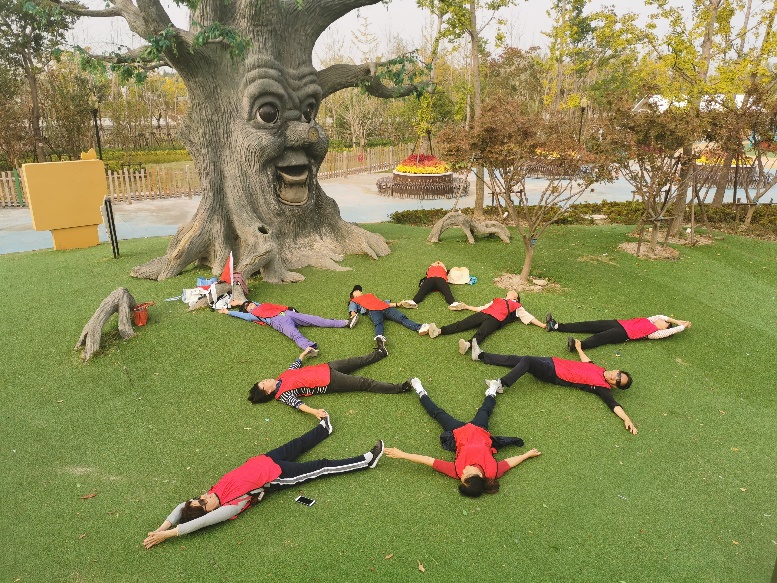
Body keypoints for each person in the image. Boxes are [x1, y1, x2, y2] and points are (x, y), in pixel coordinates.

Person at [143, 416, 384, 549]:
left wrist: (161, 528)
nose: (204, 497)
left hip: (266, 459)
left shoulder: (212, 494)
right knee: (322, 466)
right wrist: (170, 535)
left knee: (298, 444)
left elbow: (181, 507)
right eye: (203, 503)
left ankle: (324, 428)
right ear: (211, 511)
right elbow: (199, 523)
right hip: (278, 475)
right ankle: (366, 461)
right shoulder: (230, 507)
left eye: (199, 498)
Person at [385, 379, 541, 497]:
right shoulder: (492, 471)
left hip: (458, 433)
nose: (464, 470)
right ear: (480, 475)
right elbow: (510, 463)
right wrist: (527, 455)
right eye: (467, 473)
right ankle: (492, 391)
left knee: (438, 414)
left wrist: (402, 454)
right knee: (485, 411)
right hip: (480, 431)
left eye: (463, 476)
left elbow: (428, 460)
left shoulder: (456, 471)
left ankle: (420, 391)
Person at [475, 338, 638, 434]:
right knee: (519, 360)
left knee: (527, 361)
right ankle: (481, 355)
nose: (615, 378)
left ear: (614, 386)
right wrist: (579, 348)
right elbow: (587, 362)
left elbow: (613, 404)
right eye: (618, 375)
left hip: (554, 374)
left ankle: (501, 384)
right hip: (553, 362)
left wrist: (626, 418)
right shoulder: (599, 369)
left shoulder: (602, 387)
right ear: (617, 370)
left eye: (618, 381)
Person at [248, 343, 411, 418]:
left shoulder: (281, 377)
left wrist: (304, 353)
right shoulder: (282, 395)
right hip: (329, 382)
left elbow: (294, 366)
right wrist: (315, 412)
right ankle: (400, 388)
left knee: (356, 361)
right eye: (263, 384)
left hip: (326, 367)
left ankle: (381, 353)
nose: (265, 380)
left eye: (262, 381)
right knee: (364, 383)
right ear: (268, 392)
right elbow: (298, 404)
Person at [426, 290, 547, 359]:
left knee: (482, 332)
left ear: (516, 297)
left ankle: (468, 345)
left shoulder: (517, 306)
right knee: (463, 323)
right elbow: (482, 308)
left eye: (514, 291)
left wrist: (542, 325)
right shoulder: (498, 299)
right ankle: (439, 331)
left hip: (495, 319)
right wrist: (467, 306)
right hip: (484, 313)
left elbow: (528, 317)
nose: (511, 290)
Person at [219, 300, 359, 354]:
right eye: (248, 307)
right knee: (295, 335)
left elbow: (254, 302)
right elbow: (242, 315)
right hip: (279, 322)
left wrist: (240, 302)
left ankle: (346, 323)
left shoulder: (262, 305)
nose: (251, 305)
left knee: (316, 320)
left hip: (287, 313)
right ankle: (309, 348)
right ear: (248, 311)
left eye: (250, 303)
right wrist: (228, 312)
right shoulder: (253, 315)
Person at [545, 313, 692, 351]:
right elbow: (661, 315)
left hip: (623, 334)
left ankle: (577, 346)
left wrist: (681, 327)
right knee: (589, 325)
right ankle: (556, 326)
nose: (662, 320)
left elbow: (671, 331)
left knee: (600, 338)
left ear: (664, 328)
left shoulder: (655, 333)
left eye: (665, 323)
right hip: (619, 323)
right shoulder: (651, 320)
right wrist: (678, 320)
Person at [348, 285, 433, 344]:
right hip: (372, 310)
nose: (358, 290)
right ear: (353, 296)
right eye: (355, 291)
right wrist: (353, 315)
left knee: (402, 318)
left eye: (358, 290)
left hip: (385, 307)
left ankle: (419, 327)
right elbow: (352, 309)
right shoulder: (354, 301)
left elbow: (383, 302)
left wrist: (398, 304)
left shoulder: (369, 295)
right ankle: (379, 337)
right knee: (378, 323)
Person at [399, 261, 465, 309]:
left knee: (447, 292)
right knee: (421, 292)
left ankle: (453, 303)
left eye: (441, 263)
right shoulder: (429, 271)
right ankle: (413, 302)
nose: (438, 262)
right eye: (435, 263)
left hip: (440, 280)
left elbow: (455, 274)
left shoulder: (446, 271)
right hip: (430, 280)